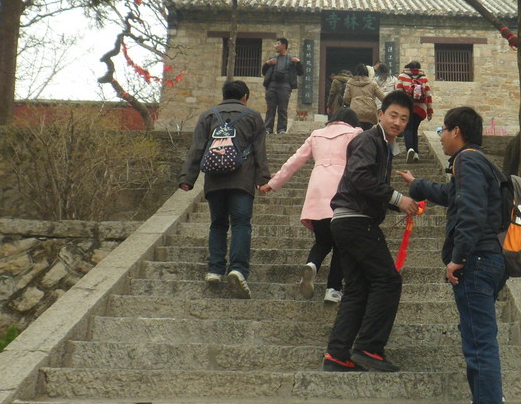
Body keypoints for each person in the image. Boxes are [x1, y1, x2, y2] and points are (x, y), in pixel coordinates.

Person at [399, 106, 507, 404]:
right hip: (491, 258)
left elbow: (471, 212)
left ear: (456, 131)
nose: (441, 136)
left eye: (442, 130)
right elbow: (454, 196)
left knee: (479, 346)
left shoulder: (467, 160)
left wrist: (458, 258)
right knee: (480, 341)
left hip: (477, 260)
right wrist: (418, 185)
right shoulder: (479, 162)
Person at [322, 90, 419, 372]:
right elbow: (359, 177)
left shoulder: (384, 145)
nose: (398, 122)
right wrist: (398, 199)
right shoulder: (368, 139)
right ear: (380, 114)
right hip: (356, 221)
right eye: (393, 115)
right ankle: (369, 348)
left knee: (356, 289)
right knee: (388, 280)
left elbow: (366, 187)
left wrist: (399, 205)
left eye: (404, 119)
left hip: (347, 220)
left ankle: (337, 355)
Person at [258, 107, 361, 303]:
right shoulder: (355, 133)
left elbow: (294, 161)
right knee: (342, 245)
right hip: (342, 194)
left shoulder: (316, 134)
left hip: (317, 192)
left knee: (322, 241)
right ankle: (333, 290)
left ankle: (312, 265)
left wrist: (273, 182)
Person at [179, 79, 270, 299]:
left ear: (223, 95)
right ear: (245, 97)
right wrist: (262, 178)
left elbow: (197, 148)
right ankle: (238, 269)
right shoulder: (252, 116)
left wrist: (187, 178)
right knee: (241, 224)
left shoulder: (208, 116)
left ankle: (215, 269)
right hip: (242, 180)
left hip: (214, 180)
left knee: (218, 224)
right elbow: (259, 150)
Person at [262, 37, 304, 134]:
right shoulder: (272, 59)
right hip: (272, 85)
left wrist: (298, 63)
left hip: (285, 85)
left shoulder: (292, 59)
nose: (275, 46)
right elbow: (264, 72)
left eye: (278, 44)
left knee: (283, 108)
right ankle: (268, 128)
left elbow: (300, 73)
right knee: (270, 108)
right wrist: (267, 64)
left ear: (284, 45)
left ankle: (281, 129)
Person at [395, 61, 433, 162]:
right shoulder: (424, 77)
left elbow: (398, 93)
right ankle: (416, 152)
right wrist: (430, 111)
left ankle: (410, 149)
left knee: (408, 128)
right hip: (420, 108)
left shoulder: (402, 76)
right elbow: (428, 95)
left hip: (407, 107)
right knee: (415, 129)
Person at [343, 63, 385, 130]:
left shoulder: (350, 82)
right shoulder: (372, 83)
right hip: (370, 113)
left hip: (355, 112)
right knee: (367, 133)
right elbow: (382, 97)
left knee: (356, 133)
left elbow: (346, 98)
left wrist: (353, 101)